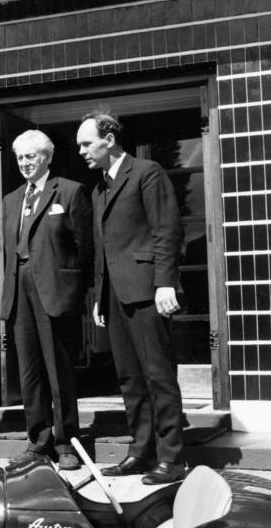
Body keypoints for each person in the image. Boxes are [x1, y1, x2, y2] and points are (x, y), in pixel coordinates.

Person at [76, 111, 187, 485]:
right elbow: (104, 249)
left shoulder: (146, 172)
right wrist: (99, 295)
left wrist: (165, 282)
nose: (82, 151)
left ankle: (171, 458)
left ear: (109, 140)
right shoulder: (99, 189)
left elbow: (166, 230)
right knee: (129, 379)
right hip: (115, 296)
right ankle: (141, 451)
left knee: (158, 375)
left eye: (87, 143)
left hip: (147, 291)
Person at [0, 130, 93, 470]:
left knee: (58, 371)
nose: (25, 163)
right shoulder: (11, 200)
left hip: (54, 290)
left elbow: (86, 248)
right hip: (19, 289)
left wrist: (77, 290)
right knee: (29, 372)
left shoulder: (69, 191)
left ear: (47, 157)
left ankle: (67, 443)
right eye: (20, 157)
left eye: (31, 156)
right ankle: (38, 442)